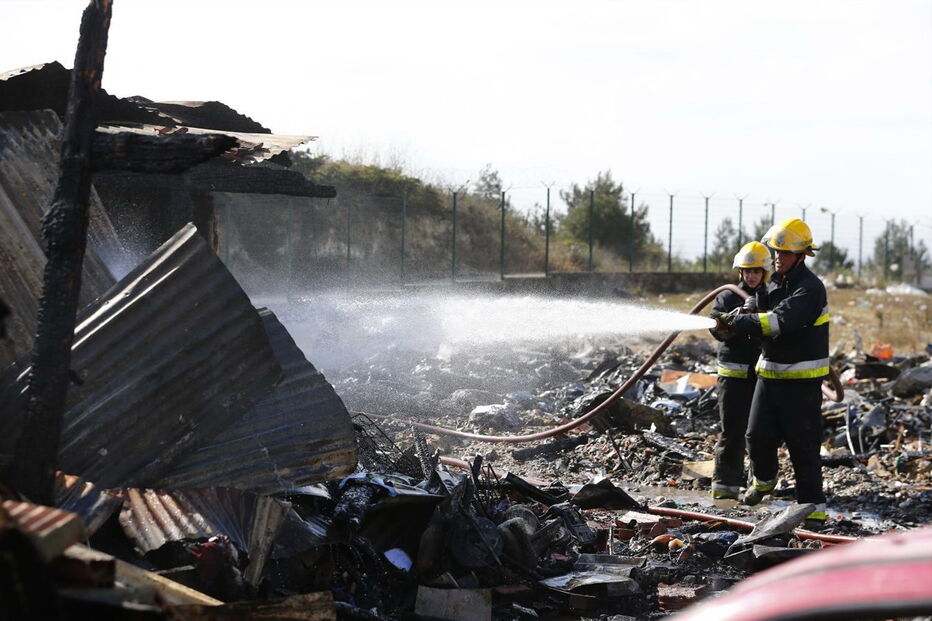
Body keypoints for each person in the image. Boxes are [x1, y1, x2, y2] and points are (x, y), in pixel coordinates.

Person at [717, 218, 830, 525]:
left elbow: (779, 322)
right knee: (756, 436)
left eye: (785, 252)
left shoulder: (810, 289)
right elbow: (760, 304)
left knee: (802, 446)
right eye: (776, 251)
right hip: (768, 377)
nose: (778, 257)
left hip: (801, 383)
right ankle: (764, 480)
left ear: (801, 255)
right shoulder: (777, 283)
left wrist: (746, 322)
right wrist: (746, 310)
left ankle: (813, 508)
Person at [708, 242, 770, 500]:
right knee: (732, 431)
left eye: (756, 271)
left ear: (764, 272)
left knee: (758, 432)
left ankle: (758, 484)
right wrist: (737, 317)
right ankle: (725, 487)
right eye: (747, 271)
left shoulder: (772, 296)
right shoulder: (728, 297)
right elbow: (716, 328)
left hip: (762, 375)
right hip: (733, 375)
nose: (751, 276)